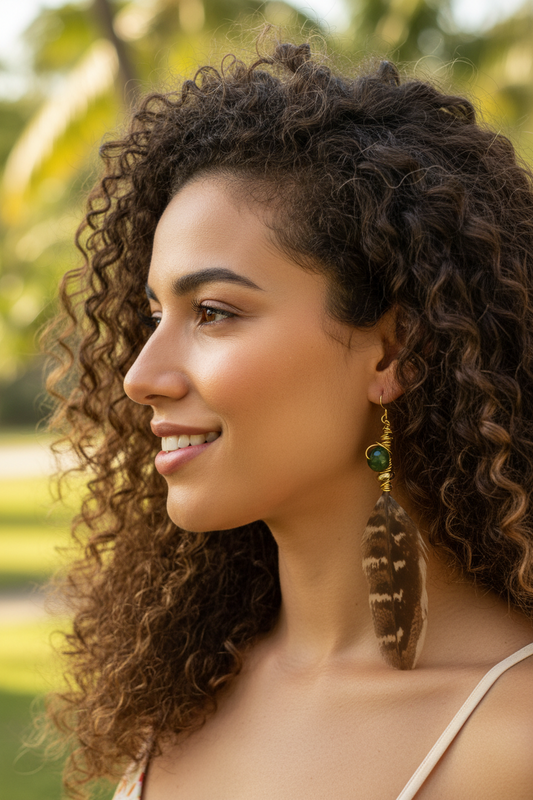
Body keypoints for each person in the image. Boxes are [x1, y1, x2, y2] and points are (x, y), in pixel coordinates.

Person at [45, 36, 533, 800]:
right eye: (151, 313)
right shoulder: (183, 698)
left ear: (393, 353)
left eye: (212, 312)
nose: (141, 378)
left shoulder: (510, 742)